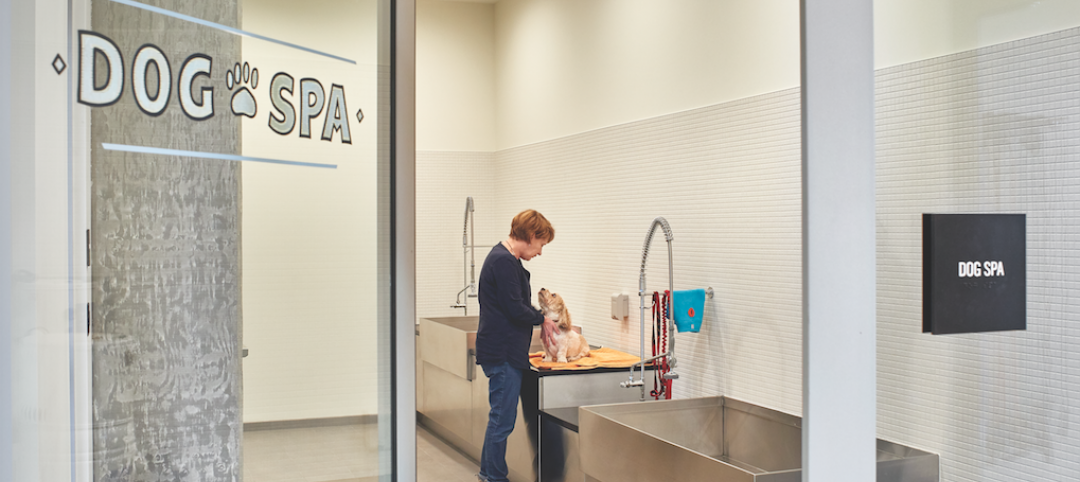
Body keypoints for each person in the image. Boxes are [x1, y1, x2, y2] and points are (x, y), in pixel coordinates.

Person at [474, 209, 557, 482]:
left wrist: (538, 317)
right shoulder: (504, 262)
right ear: (532, 236)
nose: (541, 252)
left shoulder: (504, 259)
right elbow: (515, 308)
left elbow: (513, 304)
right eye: (541, 244)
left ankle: (489, 474)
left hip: (503, 351)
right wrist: (542, 318)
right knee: (502, 420)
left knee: (500, 418)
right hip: (503, 353)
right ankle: (494, 477)